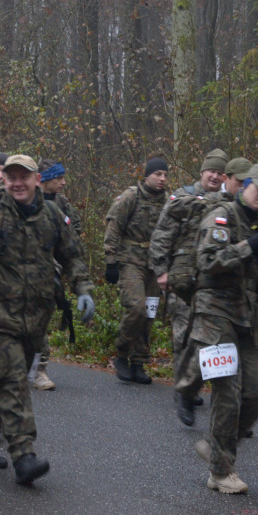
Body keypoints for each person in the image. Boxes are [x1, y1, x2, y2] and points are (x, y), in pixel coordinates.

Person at [0, 154, 95, 485]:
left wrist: (83, 289)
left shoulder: (53, 215)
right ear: (5, 181)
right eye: (11, 177)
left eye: (24, 176)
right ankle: (24, 455)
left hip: (35, 318)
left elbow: (73, 255)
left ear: (37, 179)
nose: (18, 183)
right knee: (13, 382)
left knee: (7, 382)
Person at [187, 163, 258, 494]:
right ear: (245, 186)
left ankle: (216, 444)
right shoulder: (221, 215)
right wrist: (250, 246)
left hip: (250, 317)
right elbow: (207, 261)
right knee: (227, 392)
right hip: (216, 315)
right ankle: (221, 470)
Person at [149, 148, 228, 422]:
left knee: (208, 338)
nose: (215, 176)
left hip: (210, 280)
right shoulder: (183, 197)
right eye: (212, 171)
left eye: (220, 173)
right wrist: (161, 271)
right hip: (181, 277)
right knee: (183, 334)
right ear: (202, 172)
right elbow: (161, 234)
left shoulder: (228, 203)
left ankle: (194, 387)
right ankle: (184, 388)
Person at [103, 158, 168, 384]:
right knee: (137, 307)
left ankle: (139, 361)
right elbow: (114, 227)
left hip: (155, 264)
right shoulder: (131, 196)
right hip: (130, 261)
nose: (162, 179)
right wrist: (111, 261)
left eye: (165, 175)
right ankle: (121, 352)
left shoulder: (169, 202)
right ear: (146, 175)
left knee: (149, 314)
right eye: (158, 174)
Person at [29, 158, 83, 391]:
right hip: (19, 271)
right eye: (59, 178)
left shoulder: (62, 203)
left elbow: (75, 233)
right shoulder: (24, 198)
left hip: (50, 272)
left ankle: (39, 369)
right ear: (45, 179)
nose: (63, 182)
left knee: (40, 318)